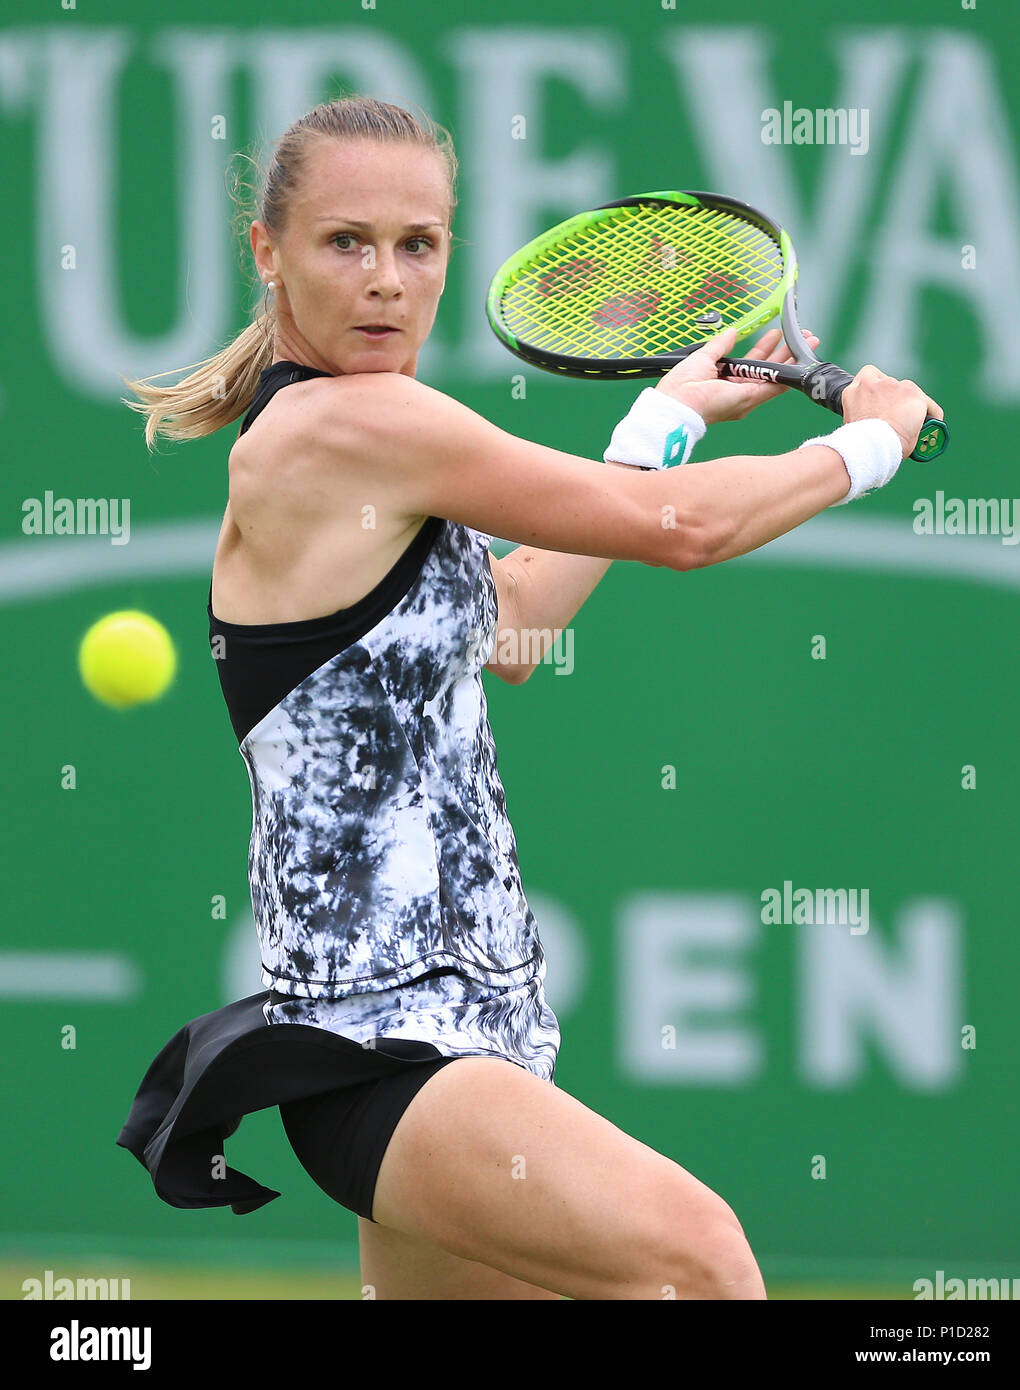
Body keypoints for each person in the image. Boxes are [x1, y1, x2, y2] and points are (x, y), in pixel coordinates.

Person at [117, 95, 942, 1301]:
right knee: (699, 1263)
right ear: (268, 251)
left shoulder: (369, 442)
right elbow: (688, 533)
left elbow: (512, 626)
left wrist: (658, 418)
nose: (388, 280)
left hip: (469, 1032)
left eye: (419, 244)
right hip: (384, 1055)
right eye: (346, 243)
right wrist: (864, 443)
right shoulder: (345, 426)